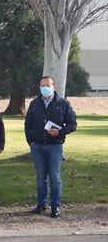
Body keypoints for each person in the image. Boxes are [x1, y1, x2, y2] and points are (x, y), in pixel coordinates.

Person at [25, 76, 77, 218]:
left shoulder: (63, 104)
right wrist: (31, 142)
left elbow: (73, 124)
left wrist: (60, 132)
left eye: (47, 85)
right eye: (42, 85)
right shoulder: (34, 103)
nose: (45, 88)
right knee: (41, 177)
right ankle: (41, 204)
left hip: (55, 146)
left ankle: (55, 206)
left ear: (54, 87)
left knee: (55, 177)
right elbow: (27, 124)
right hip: (37, 147)